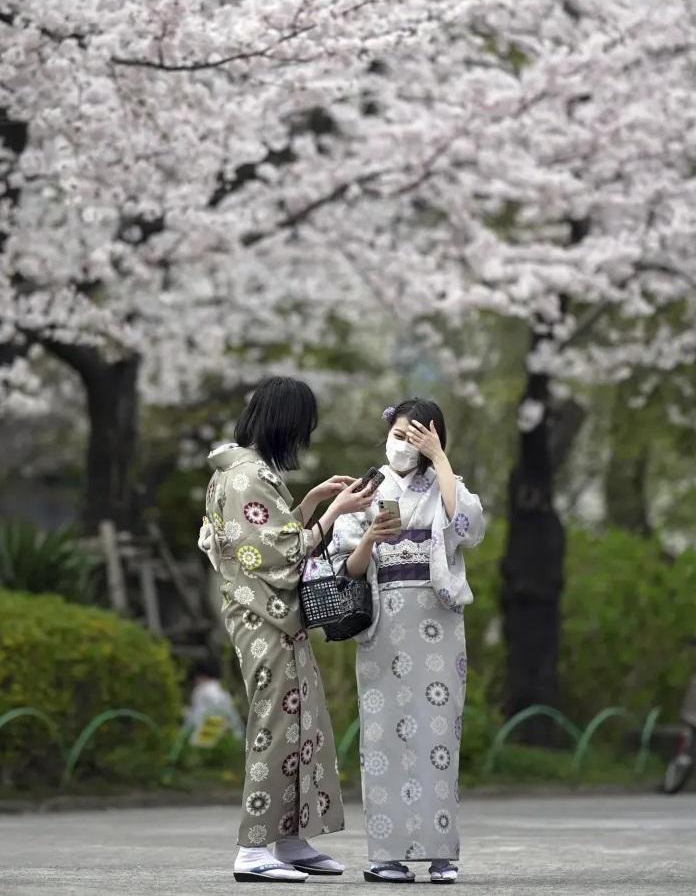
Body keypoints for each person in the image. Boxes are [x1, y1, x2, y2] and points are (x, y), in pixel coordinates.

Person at [200, 376, 376, 883]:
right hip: (264, 618)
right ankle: (253, 849)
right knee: (276, 723)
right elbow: (279, 553)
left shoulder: (241, 471)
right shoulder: (246, 478)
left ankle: (291, 840)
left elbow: (271, 539)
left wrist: (316, 500)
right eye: (301, 429)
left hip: (272, 617)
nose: (301, 440)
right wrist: (336, 511)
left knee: (300, 721)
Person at [330, 398, 485, 885]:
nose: (403, 443)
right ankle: (386, 854)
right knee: (383, 739)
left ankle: (442, 853)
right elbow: (346, 570)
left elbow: (470, 529)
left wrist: (440, 461)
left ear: (434, 436)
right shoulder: (369, 488)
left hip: (437, 622)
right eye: (397, 433)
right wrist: (370, 539)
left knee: (439, 734)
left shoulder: (445, 485)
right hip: (384, 627)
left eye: (415, 435)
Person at [184, 659, 244, 741]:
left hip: (209, 738)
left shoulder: (201, 690)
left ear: (201, 676)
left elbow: (196, 718)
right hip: (232, 737)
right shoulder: (223, 690)